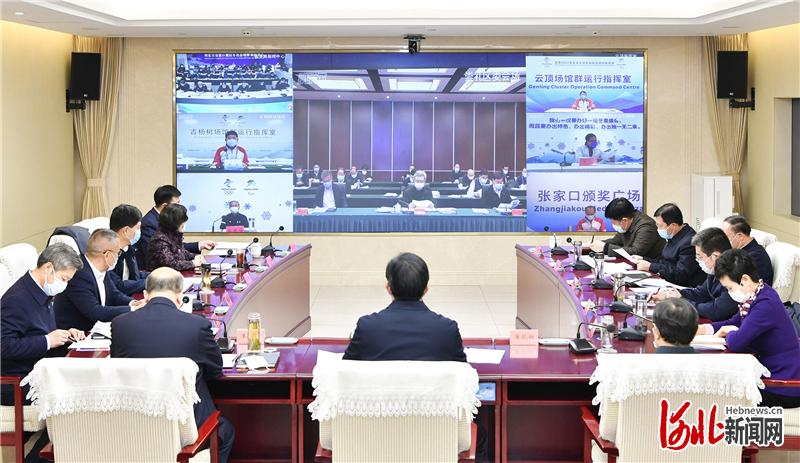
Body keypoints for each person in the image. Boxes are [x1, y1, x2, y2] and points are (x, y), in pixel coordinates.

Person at [343, 253, 487, 462]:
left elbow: (345, 373)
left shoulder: (367, 327)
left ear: (388, 288)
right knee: (481, 433)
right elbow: (463, 377)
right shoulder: (446, 329)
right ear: (426, 289)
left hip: (370, 440)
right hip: (436, 442)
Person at [110, 268, 236, 462]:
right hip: (186, 426)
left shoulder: (120, 324)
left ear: (145, 295)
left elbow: (117, 367)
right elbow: (215, 370)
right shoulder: (197, 325)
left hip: (136, 422)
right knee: (225, 432)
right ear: (179, 296)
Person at [1, 244, 87, 463]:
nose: (64, 285)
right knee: (75, 399)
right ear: (49, 268)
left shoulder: (39, 292)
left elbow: (38, 331)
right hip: (17, 381)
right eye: (64, 279)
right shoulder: (17, 299)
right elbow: (4, 346)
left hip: (38, 370)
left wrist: (65, 335)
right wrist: (47, 341)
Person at [696, 250, 800, 408]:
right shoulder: (758, 294)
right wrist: (703, 329)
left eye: (730, 288)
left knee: (719, 395)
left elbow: (737, 342)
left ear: (744, 279)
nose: (730, 293)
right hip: (772, 373)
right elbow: (734, 322)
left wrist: (729, 332)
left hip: (784, 384)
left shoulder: (765, 304)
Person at [54, 229, 145, 332]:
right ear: (107, 255)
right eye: (118, 253)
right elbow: (95, 312)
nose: (118, 256)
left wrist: (133, 303)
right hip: (75, 335)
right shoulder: (78, 274)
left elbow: (114, 294)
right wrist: (133, 310)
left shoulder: (102, 268)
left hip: (95, 329)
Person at [650, 227, 737, 322]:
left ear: (715, 256)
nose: (698, 261)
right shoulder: (714, 270)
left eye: (700, 257)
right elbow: (700, 293)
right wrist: (674, 294)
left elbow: (716, 311)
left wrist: (682, 301)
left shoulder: (733, 275)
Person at [137, 185, 215, 268]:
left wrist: (195, 256)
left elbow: (178, 250)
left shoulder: (170, 228)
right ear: (165, 206)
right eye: (176, 204)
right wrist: (193, 263)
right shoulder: (150, 223)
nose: (178, 207)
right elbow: (167, 258)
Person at [633, 203, 705, 287]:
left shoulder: (689, 242)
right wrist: (644, 259)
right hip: (669, 281)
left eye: (660, 226)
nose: (658, 229)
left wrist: (651, 266)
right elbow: (665, 262)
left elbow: (680, 274)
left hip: (684, 287)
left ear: (673, 225)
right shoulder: (675, 235)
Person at [589, 198, 664, 259]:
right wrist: (598, 243)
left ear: (624, 220)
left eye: (613, 222)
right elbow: (616, 240)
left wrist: (605, 247)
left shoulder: (646, 226)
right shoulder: (627, 223)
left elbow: (636, 251)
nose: (613, 224)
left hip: (654, 266)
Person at [146, 204, 206, 271]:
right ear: (176, 222)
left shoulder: (173, 235)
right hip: (161, 276)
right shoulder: (159, 240)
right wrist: (193, 263)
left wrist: (195, 256)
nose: (184, 225)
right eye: (183, 222)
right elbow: (170, 264)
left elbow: (182, 253)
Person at [721, 215, 774, 285]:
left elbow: (736, 283)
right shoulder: (739, 250)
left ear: (740, 236)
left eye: (725, 237)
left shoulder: (756, 257)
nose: (722, 241)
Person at [108, 204, 148, 296]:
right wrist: (152, 282)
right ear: (126, 230)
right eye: (138, 228)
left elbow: (135, 275)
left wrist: (158, 275)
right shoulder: (107, 252)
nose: (139, 232)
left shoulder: (128, 248)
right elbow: (119, 286)